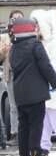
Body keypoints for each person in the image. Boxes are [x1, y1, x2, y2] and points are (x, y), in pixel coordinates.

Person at [10, 18, 56, 156]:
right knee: (36, 128)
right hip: (36, 94)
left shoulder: (14, 48)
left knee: (23, 128)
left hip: (20, 94)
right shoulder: (36, 45)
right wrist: (55, 82)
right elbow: (45, 66)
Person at [30, 9, 56, 156]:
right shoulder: (50, 40)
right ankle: (44, 146)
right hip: (51, 86)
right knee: (46, 119)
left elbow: (53, 65)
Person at [0, 10, 24, 141]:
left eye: (19, 18)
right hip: (11, 74)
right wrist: (3, 51)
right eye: (14, 18)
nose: (17, 20)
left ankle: (25, 131)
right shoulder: (4, 37)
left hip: (25, 74)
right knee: (13, 105)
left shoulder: (27, 34)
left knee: (25, 104)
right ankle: (15, 132)